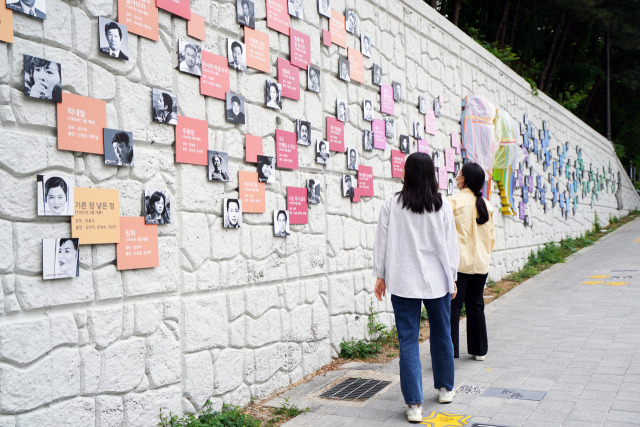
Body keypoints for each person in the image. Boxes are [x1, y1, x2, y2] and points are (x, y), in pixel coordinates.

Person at [373, 153, 459, 421]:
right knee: (441, 333)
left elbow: (382, 242)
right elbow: (450, 244)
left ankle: (414, 406)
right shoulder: (442, 204)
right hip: (436, 282)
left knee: (408, 341)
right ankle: (445, 389)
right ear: (432, 175)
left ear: (407, 173)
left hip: (403, 281)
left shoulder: (392, 204)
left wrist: (380, 275)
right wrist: (452, 276)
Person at [449, 162, 495, 362]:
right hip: (480, 263)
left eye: (459, 174)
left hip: (459, 264)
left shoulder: (453, 202)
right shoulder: (488, 205)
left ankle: (450, 351)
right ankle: (479, 350)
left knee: (453, 307)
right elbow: (491, 238)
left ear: (464, 179)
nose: (457, 176)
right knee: (476, 305)